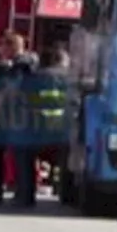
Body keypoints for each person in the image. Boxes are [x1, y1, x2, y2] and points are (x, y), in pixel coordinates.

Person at [15, 46, 73, 207]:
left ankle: (26, 196)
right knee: (68, 162)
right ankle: (67, 195)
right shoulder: (70, 79)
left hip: (36, 127)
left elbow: (20, 101)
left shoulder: (33, 78)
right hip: (62, 128)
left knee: (25, 158)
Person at [0, 32, 32, 205]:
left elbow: (12, 90)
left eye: (4, 45)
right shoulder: (29, 63)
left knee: (15, 156)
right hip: (20, 117)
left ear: (12, 46)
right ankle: (23, 193)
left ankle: (18, 194)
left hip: (12, 116)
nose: (1, 49)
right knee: (22, 156)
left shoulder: (20, 66)